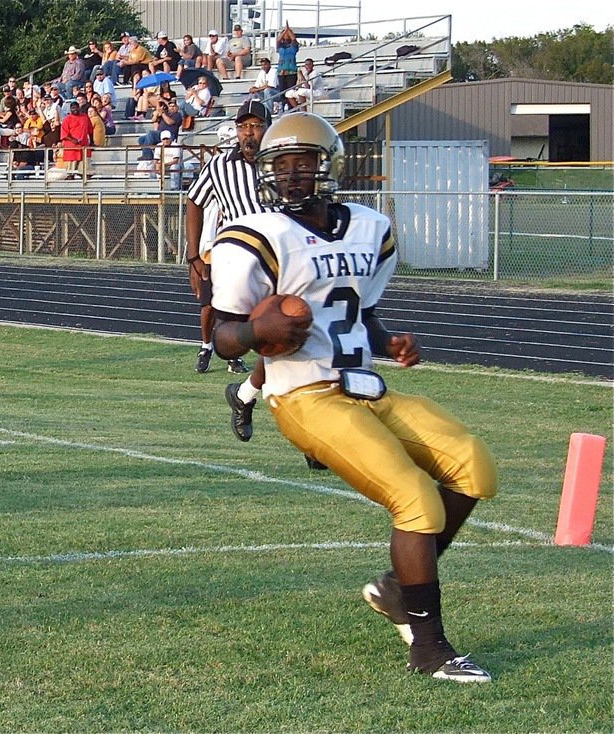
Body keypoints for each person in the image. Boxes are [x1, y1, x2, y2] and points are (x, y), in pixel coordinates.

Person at [208, 111, 497, 684]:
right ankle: (430, 648)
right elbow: (222, 332)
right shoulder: (256, 235)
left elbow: (358, 310)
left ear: (329, 165)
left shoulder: (370, 226)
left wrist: (388, 340)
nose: (293, 176)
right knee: (416, 499)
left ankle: (398, 589)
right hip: (302, 394)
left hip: (363, 383)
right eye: (280, 166)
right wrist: (253, 336)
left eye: (304, 163)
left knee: (475, 468)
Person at [185, 99, 273, 375]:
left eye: (256, 126)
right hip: (236, 258)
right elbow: (194, 201)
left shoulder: (280, 162)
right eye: (243, 126)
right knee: (224, 316)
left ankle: (256, 383)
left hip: (276, 256)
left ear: (267, 129)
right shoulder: (219, 165)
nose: (249, 132)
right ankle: (214, 351)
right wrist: (193, 255)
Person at [58, 101, 93, 178]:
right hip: (72, 148)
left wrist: (92, 142)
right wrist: (73, 140)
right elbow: (64, 134)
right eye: (73, 108)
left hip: (84, 146)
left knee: (86, 173)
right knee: (70, 173)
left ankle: (86, 189)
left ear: (79, 108)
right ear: (70, 109)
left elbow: (90, 130)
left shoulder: (85, 117)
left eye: (76, 107)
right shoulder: (67, 119)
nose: (75, 109)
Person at [275, 23, 300, 108]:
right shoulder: (280, 47)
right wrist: (285, 30)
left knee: (290, 91)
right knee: (282, 91)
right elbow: (278, 40)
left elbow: (293, 39)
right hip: (281, 72)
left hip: (291, 71)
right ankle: (283, 106)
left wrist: (289, 30)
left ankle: (291, 107)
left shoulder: (294, 46)